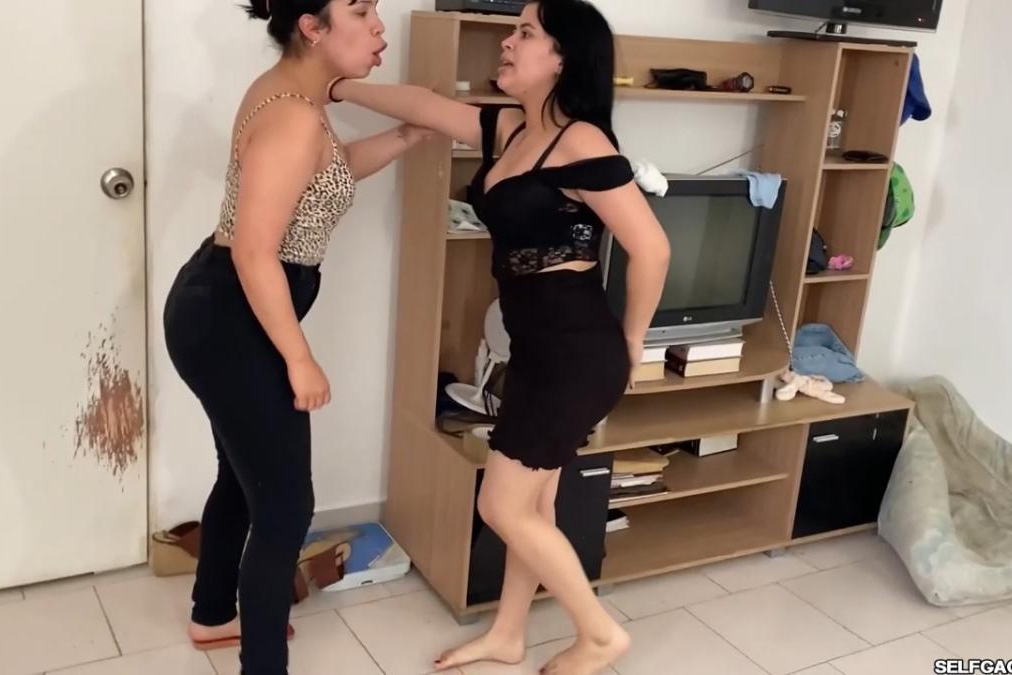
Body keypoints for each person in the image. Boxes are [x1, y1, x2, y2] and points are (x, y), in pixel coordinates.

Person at [329, 1, 670, 672]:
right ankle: (509, 633)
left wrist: (631, 341)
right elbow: (426, 107)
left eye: (525, 32)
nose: (508, 43)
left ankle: (600, 633)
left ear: (562, 58)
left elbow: (652, 249)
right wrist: (336, 85)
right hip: (538, 350)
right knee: (535, 502)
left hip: (576, 353)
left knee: (501, 504)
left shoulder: (582, 142)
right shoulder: (512, 129)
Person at [161, 1, 433, 672]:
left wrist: (406, 136)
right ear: (313, 27)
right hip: (232, 314)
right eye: (361, 11)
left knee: (244, 478)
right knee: (285, 505)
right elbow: (256, 253)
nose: (379, 27)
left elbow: (327, 174)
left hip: (221, 306)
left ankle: (212, 614)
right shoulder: (292, 116)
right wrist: (299, 358)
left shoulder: (293, 96)